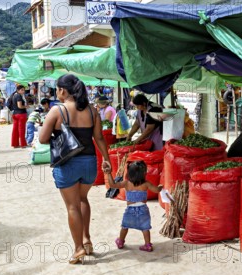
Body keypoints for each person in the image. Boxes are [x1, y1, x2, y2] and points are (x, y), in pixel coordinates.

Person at [39, 74, 113, 264]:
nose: (57, 92)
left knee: (72, 206)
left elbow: (42, 138)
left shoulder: (57, 111)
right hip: (89, 162)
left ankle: (78, 248)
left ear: (63, 90)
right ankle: (87, 240)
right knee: (83, 199)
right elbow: (99, 138)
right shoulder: (93, 111)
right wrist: (107, 159)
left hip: (67, 164)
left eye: (57, 89)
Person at [106, 160, 162, 252]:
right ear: (144, 173)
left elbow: (112, 184)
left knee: (125, 226)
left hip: (130, 210)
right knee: (145, 228)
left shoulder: (126, 183)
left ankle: (120, 241)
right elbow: (156, 190)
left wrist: (109, 173)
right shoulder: (146, 184)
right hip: (143, 209)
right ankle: (147, 245)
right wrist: (160, 186)